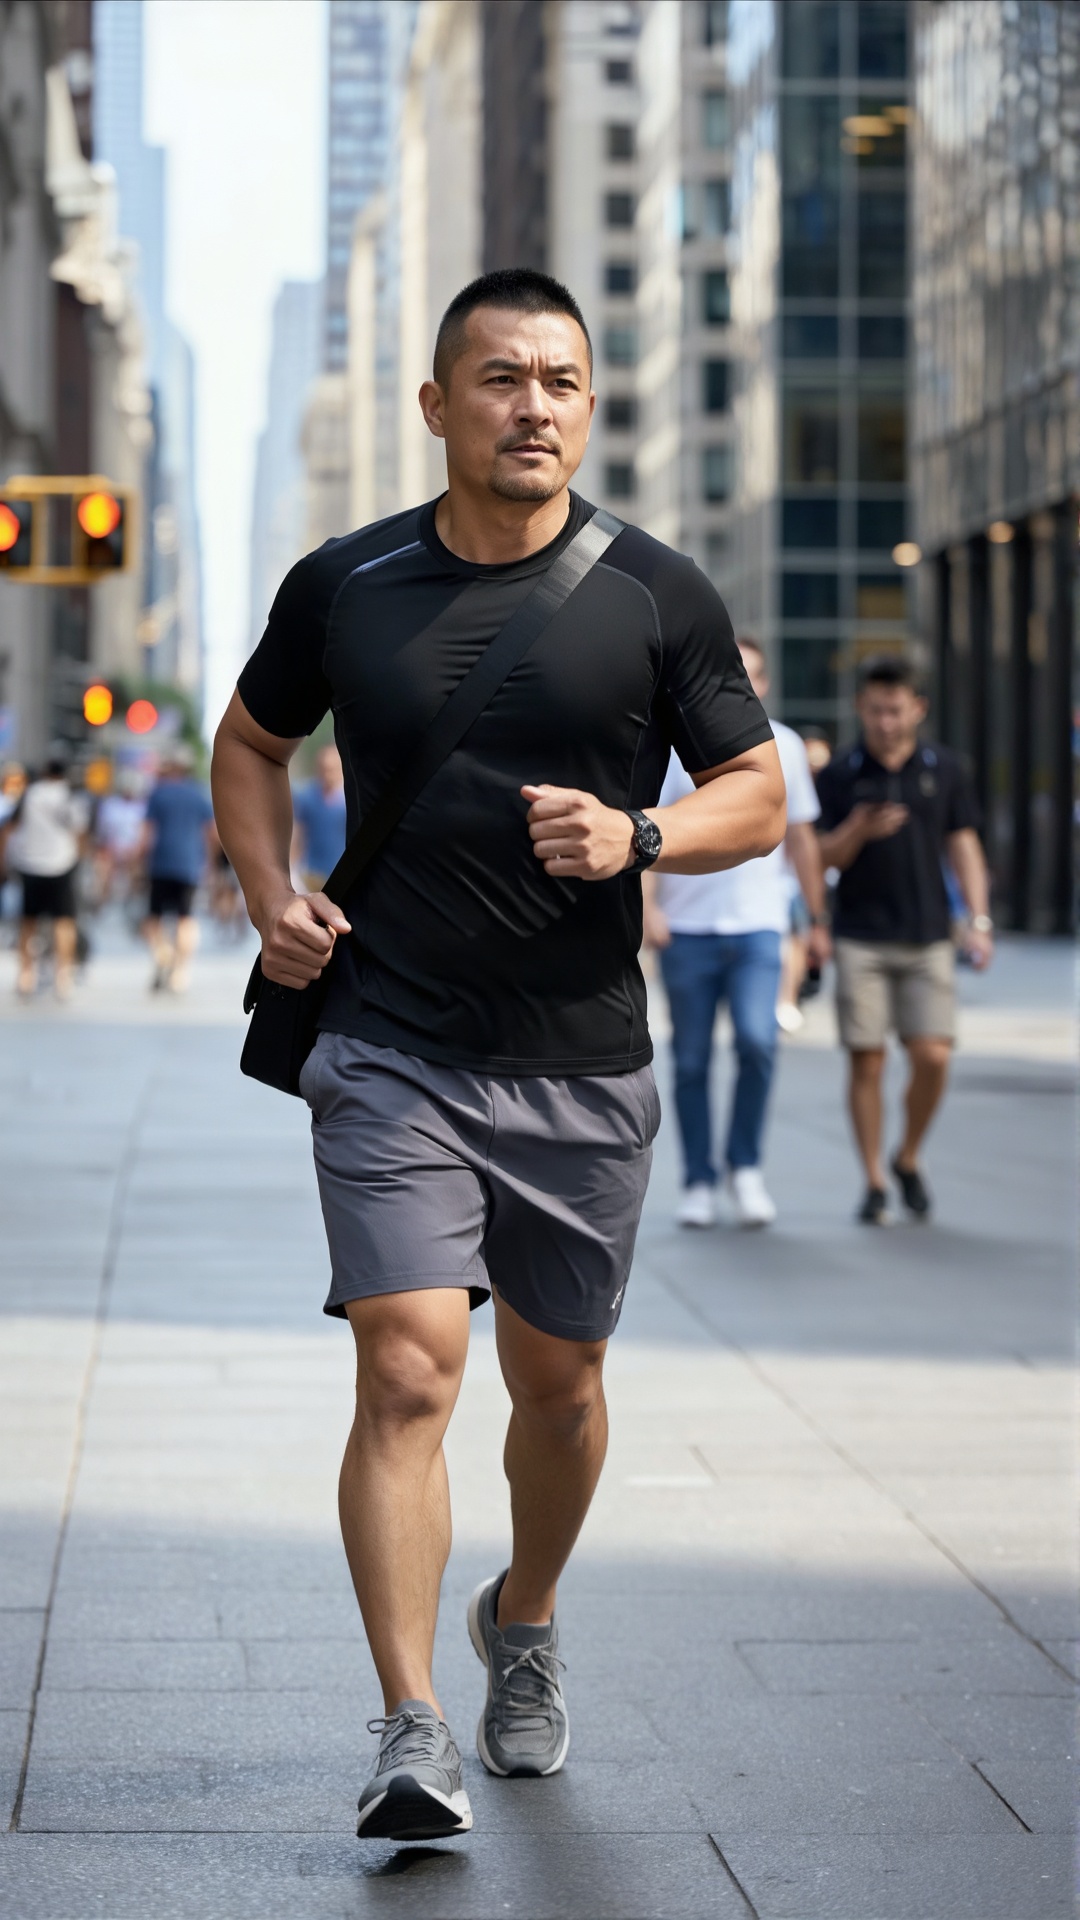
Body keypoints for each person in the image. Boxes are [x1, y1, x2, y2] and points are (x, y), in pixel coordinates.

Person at [212, 267, 785, 1844]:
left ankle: (520, 1617)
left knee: (563, 1383)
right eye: (500, 379)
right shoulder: (349, 584)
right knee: (407, 1364)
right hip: (389, 1041)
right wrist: (272, 896)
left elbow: (757, 789)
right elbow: (251, 743)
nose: (532, 407)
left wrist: (643, 830)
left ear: (588, 407)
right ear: (439, 403)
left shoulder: (654, 592)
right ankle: (411, 1727)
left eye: (559, 384)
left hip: (581, 1058)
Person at [643, 637, 829, 1228]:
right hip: (688, 928)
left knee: (758, 1042)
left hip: (759, 926)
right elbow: (643, 832)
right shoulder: (669, 747)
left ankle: (744, 1167)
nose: (742, 686)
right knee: (692, 1061)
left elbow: (800, 837)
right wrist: (649, 911)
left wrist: (817, 919)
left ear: (766, 684)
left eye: (752, 676)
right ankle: (699, 1179)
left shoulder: (787, 746)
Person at [815, 654, 992, 1226]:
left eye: (894, 710)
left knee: (933, 1055)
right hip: (860, 935)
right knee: (867, 1060)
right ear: (859, 709)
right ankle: (872, 1179)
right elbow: (820, 858)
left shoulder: (945, 768)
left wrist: (979, 919)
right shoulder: (842, 773)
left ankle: (908, 1154)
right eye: (874, 710)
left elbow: (963, 845)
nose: (884, 722)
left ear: (918, 708)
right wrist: (858, 830)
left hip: (928, 934)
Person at [2, 757, 88, 1000]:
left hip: (30, 864)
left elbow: (10, 828)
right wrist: (78, 859)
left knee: (28, 922)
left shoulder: (30, 794)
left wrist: (4, 861)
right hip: (61, 865)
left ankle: (26, 976)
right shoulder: (70, 797)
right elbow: (80, 832)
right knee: (64, 922)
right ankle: (63, 977)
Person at [141, 746, 214, 993]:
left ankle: (163, 955)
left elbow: (147, 833)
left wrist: (137, 862)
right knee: (186, 918)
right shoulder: (198, 795)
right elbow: (211, 833)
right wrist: (210, 864)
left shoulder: (158, 794)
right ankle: (181, 970)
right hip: (189, 865)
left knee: (153, 918)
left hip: (161, 863)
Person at [291, 744, 347, 892]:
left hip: (341, 869)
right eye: (324, 769)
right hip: (312, 870)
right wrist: (292, 866)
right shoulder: (307, 797)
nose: (327, 774)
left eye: (331, 769)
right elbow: (298, 832)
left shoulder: (348, 799)